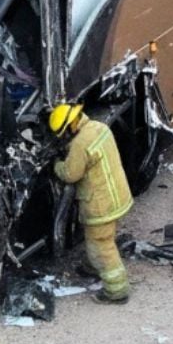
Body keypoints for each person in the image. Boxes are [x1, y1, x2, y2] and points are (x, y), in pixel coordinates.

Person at [51, 103, 133, 305]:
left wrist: (56, 165)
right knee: (103, 237)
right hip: (118, 196)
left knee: (101, 246)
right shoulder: (99, 127)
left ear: (70, 126)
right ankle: (91, 266)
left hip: (100, 205)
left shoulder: (80, 144)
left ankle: (117, 291)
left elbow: (70, 174)